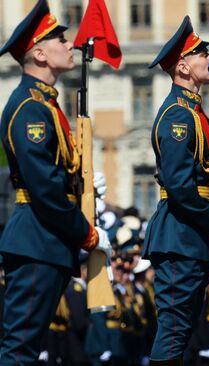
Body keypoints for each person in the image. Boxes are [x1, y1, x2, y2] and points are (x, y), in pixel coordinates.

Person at [0, 1, 111, 363]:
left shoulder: (47, 105)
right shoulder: (29, 107)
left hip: (49, 241)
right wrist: (86, 232)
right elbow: (44, 187)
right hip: (37, 239)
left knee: (29, 349)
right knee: (20, 349)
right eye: (60, 39)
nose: (70, 44)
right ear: (40, 53)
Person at [142, 15, 209, 365]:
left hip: (190, 234)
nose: (208, 58)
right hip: (180, 233)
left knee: (182, 329)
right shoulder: (178, 116)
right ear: (183, 66)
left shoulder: (193, 112)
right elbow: (181, 188)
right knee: (173, 329)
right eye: (201, 53)